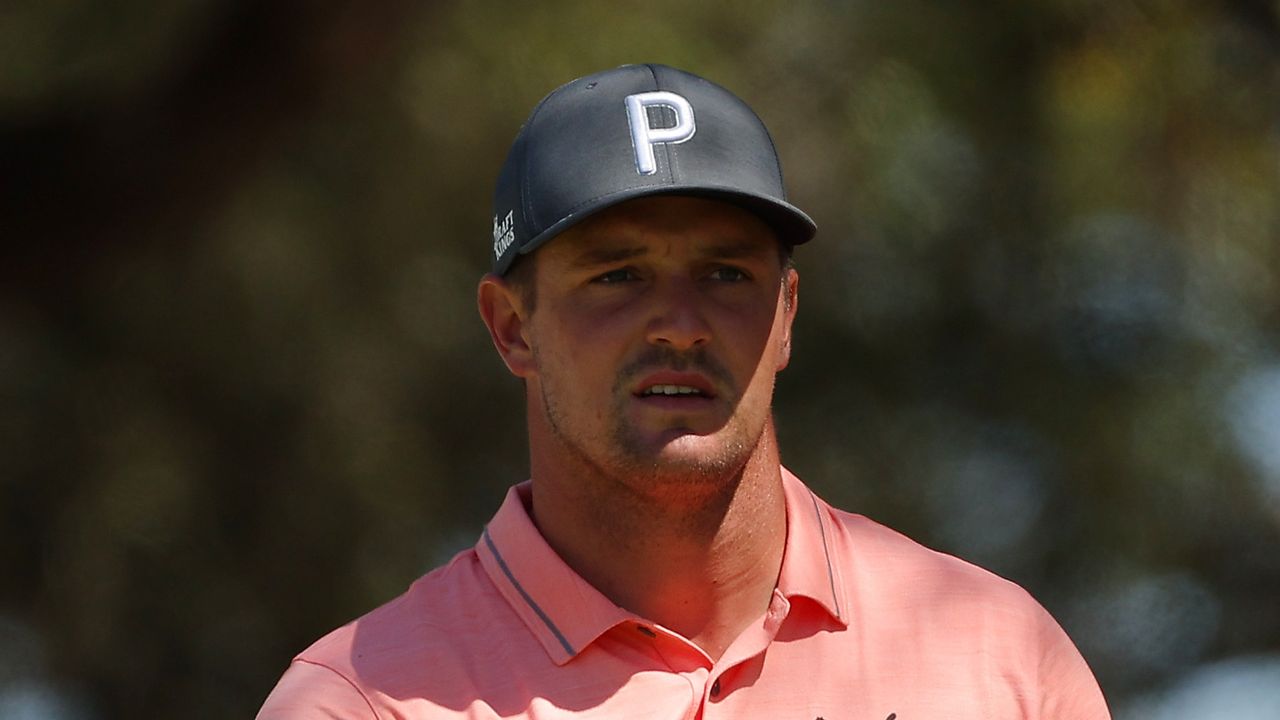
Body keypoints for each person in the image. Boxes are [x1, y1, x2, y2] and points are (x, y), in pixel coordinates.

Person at [257, 63, 1111, 719]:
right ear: (512, 327)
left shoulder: (998, 660)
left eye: (725, 272)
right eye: (618, 274)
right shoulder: (364, 700)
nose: (681, 323)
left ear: (785, 314)